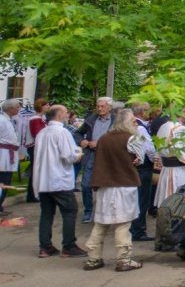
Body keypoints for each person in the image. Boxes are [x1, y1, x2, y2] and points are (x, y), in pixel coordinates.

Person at [82, 108, 146, 272]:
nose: (135, 122)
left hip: (105, 185)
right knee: (123, 223)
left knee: (101, 223)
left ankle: (93, 258)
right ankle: (123, 259)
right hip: (124, 185)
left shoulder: (103, 138)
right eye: (133, 120)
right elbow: (139, 160)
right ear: (126, 122)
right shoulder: (132, 138)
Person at [33, 104, 86, 258]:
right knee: (70, 211)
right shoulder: (62, 132)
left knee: (47, 214)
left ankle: (45, 246)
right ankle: (68, 246)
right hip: (59, 179)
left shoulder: (42, 133)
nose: (67, 114)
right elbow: (68, 155)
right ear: (58, 115)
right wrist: (78, 155)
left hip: (44, 179)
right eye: (65, 112)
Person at [76, 96, 115, 223]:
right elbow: (77, 133)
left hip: (108, 156)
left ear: (109, 107)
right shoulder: (91, 119)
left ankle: (106, 211)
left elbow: (121, 137)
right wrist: (82, 141)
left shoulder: (116, 120)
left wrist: (101, 143)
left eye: (102, 106)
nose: (99, 109)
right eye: (98, 106)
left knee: (107, 184)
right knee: (86, 184)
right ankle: (88, 211)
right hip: (91, 155)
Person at [153, 109, 185, 209]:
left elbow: (158, 149)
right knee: (179, 204)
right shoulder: (181, 129)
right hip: (179, 172)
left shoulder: (163, 127)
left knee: (166, 202)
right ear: (181, 113)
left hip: (165, 170)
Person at [127, 103, 158, 242]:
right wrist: (155, 160)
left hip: (135, 167)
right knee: (142, 199)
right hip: (143, 167)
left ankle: (134, 227)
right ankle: (138, 230)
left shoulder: (134, 126)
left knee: (137, 198)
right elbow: (149, 148)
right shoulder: (140, 128)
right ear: (142, 112)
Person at [0, 99, 21, 216]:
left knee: (6, 180)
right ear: (10, 109)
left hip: (9, 153)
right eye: (17, 107)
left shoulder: (9, 120)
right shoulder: (2, 121)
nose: (19, 109)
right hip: (3, 154)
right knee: (3, 180)